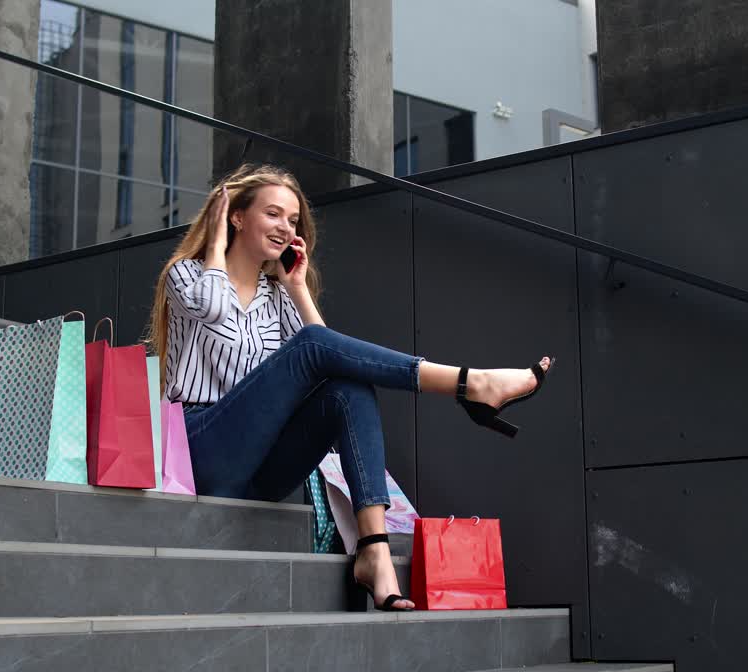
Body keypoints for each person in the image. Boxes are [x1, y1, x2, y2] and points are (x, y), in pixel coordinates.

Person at [146, 164, 553, 611]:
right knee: (319, 351)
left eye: (293, 220)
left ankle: (373, 550)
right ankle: (469, 383)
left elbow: (329, 357)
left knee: (349, 388)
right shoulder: (186, 274)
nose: (285, 228)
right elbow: (212, 307)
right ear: (237, 217)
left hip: (259, 469)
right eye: (273, 214)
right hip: (200, 450)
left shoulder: (276, 297)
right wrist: (216, 241)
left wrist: (297, 288)